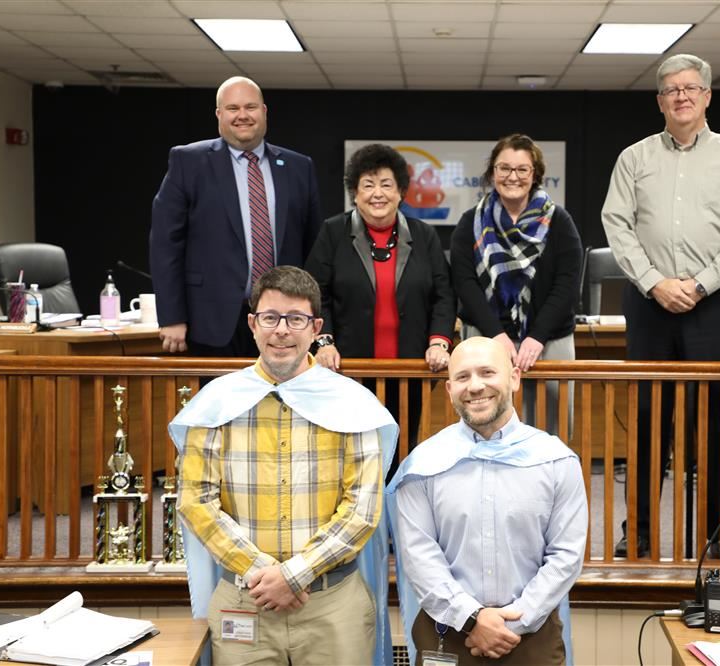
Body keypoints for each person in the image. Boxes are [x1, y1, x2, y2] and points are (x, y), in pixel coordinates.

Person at [170, 266, 398, 665]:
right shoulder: (217, 402)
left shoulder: (351, 403)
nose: (282, 331)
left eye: (296, 319)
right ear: (253, 324)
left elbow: (363, 509)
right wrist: (264, 574)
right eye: (270, 318)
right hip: (246, 600)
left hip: (332, 605)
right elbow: (196, 501)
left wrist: (294, 575)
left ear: (316, 328)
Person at [601, 53, 720, 559]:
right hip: (649, 304)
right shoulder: (635, 157)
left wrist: (698, 285)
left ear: (707, 95)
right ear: (660, 100)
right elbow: (617, 224)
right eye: (672, 89)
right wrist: (654, 282)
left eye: (691, 88)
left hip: (713, 304)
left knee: (718, 422)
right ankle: (642, 531)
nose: (682, 96)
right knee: (650, 420)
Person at [387, 336, 588, 665]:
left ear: (514, 378)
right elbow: (418, 557)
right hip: (446, 632)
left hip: (531, 635)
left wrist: (511, 624)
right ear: (450, 389)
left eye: (487, 372)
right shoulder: (422, 466)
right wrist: (472, 619)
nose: (476, 386)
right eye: (463, 377)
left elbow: (565, 556)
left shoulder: (555, 461)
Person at [305, 144, 455, 473]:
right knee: (352, 458)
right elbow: (316, 293)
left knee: (401, 453)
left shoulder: (423, 235)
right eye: (368, 185)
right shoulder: (333, 232)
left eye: (387, 184)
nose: (378, 193)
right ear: (354, 193)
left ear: (401, 192)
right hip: (349, 372)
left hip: (410, 371)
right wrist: (324, 342)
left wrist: (439, 341)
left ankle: (397, 522)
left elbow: (444, 294)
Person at [151, 76, 322, 357]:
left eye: (250, 107)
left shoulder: (298, 167)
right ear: (219, 114)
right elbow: (165, 245)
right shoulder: (188, 162)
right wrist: (171, 316)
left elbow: (313, 247)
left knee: (281, 401)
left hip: (283, 323)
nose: (242, 115)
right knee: (220, 401)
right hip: (210, 321)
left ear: (264, 112)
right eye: (232, 108)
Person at [450, 134, 583, 435]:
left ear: (534, 174)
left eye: (522, 169)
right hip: (486, 338)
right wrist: (497, 334)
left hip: (549, 340)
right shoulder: (470, 222)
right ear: (492, 172)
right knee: (485, 425)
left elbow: (566, 284)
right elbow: (465, 283)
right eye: (505, 168)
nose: (513, 177)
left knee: (555, 428)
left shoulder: (560, 221)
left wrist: (537, 337)